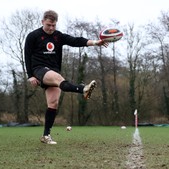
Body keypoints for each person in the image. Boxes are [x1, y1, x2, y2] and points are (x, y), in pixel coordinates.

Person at [24, 10, 108, 145]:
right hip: (39, 70)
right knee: (58, 79)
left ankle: (46, 136)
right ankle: (83, 89)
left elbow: (75, 41)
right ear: (42, 22)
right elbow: (27, 56)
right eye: (48, 25)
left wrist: (95, 43)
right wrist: (30, 76)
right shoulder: (33, 36)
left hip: (54, 70)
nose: (51, 28)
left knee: (53, 103)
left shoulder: (58, 36)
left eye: (54, 25)